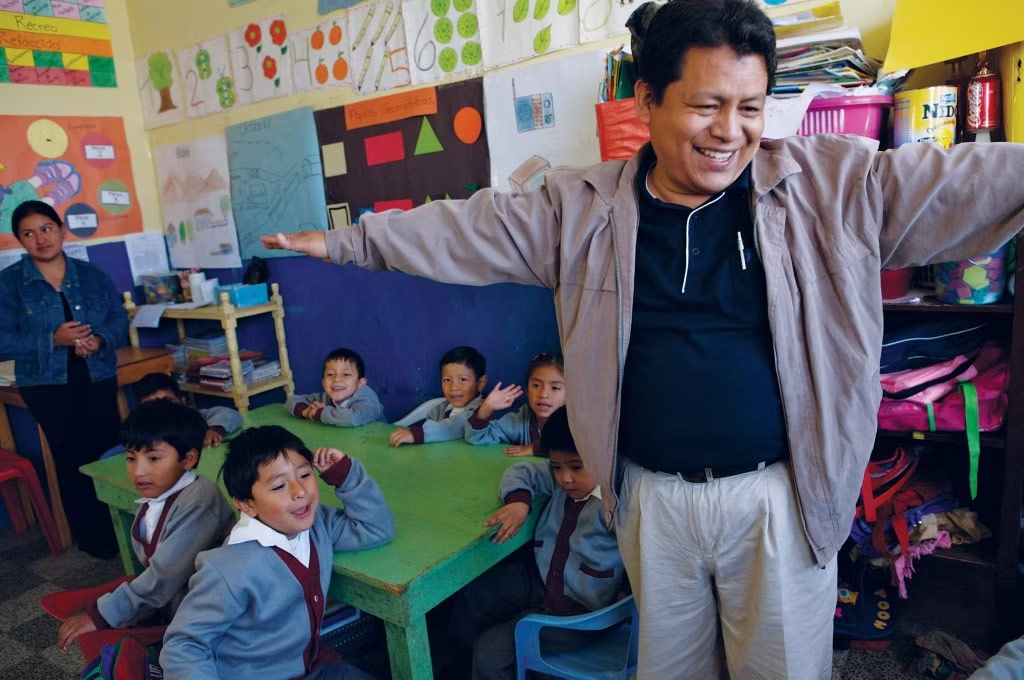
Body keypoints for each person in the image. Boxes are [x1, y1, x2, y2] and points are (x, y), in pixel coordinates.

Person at [261, 0, 1024, 675]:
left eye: (752, 107)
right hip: (649, 498)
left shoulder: (828, 187)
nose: (731, 132)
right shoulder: (581, 211)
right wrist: (351, 243)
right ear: (649, 99)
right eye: (707, 105)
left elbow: (956, 181)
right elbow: (472, 227)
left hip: (779, 498)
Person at [159, 425, 395, 679]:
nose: (299, 492)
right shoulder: (229, 570)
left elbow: (376, 528)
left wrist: (346, 476)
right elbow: (183, 646)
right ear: (246, 504)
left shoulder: (318, 525)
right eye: (279, 486)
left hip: (308, 666)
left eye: (304, 475)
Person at [451, 406, 624, 680]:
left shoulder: (618, 503)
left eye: (576, 467)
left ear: (604, 457)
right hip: (540, 581)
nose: (565, 478)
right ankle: (463, 666)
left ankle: (489, 665)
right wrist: (519, 502)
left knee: (489, 654)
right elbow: (521, 471)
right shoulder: (561, 481)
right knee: (472, 598)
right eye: (557, 467)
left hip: (580, 615)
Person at [53, 400, 235, 652]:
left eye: (153, 458)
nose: (138, 471)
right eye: (130, 458)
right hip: (177, 602)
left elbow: (164, 576)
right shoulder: (158, 493)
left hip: (215, 621)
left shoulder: (199, 501)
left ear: (188, 458)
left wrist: (102, 615)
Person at [0, 200, 128, 557]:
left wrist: (100, 339)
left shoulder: (92, 275)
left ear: (61, 230)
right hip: (46, 385)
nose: (40, 239)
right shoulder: (9, 284)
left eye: (46, 228)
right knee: (72, 459)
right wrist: (51, 340)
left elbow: (118, 319)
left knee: (110, 453)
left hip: (97, 374)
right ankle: (96, 541)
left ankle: (126, 530)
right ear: (19, 241)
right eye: (29, 233)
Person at [465, 352, 565, 456]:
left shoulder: (575, 424)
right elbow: (474, 437)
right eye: (536, 385)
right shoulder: (519, 421)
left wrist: (533, 449)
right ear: (527, 390)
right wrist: (486, 407)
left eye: (555, 388)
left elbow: (574, 446)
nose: (543, 394)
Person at [388, 345, 488, 447]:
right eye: (447, 380)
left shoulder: (483, 409)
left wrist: (418, 435)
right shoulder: (442, 407)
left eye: (462, 379)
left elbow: (457, 426)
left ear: (481, 383)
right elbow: (430, 424)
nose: (453, 387)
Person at [134, 372, 243, 447]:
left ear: (182, 401)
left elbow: (230, 414)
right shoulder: (140, 431)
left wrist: (214, 430)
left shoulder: (192, 417)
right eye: (151, 405)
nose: (160, 408)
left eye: (167, 401)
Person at [285, 347, 384, 427]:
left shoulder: (368, 400)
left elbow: (351, 419)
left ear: (360, 383)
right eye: (330, 374)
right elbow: (291, 400)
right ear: (323, 382)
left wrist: (319, 413)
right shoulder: (325, 397)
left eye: (346, 374)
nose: (336, 379)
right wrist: (305, 411)